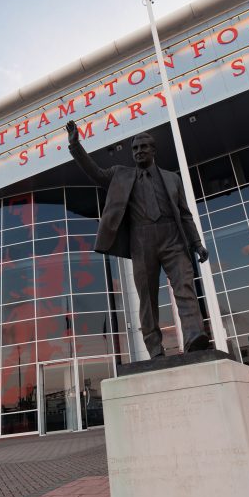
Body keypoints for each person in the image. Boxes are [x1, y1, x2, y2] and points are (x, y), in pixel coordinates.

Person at [66, 120, 211, 358]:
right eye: (135, 148)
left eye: (144, 147)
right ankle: (154, 349)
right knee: (147, 298)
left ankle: (194, 336)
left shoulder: (171, 178)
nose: (139, 151)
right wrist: (76, 147)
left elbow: (185, 214)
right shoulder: (120, 175)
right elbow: (95, 173)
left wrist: (196, 243)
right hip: (141, 240)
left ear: (153, 151)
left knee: (184, 287)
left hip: (172, 238)